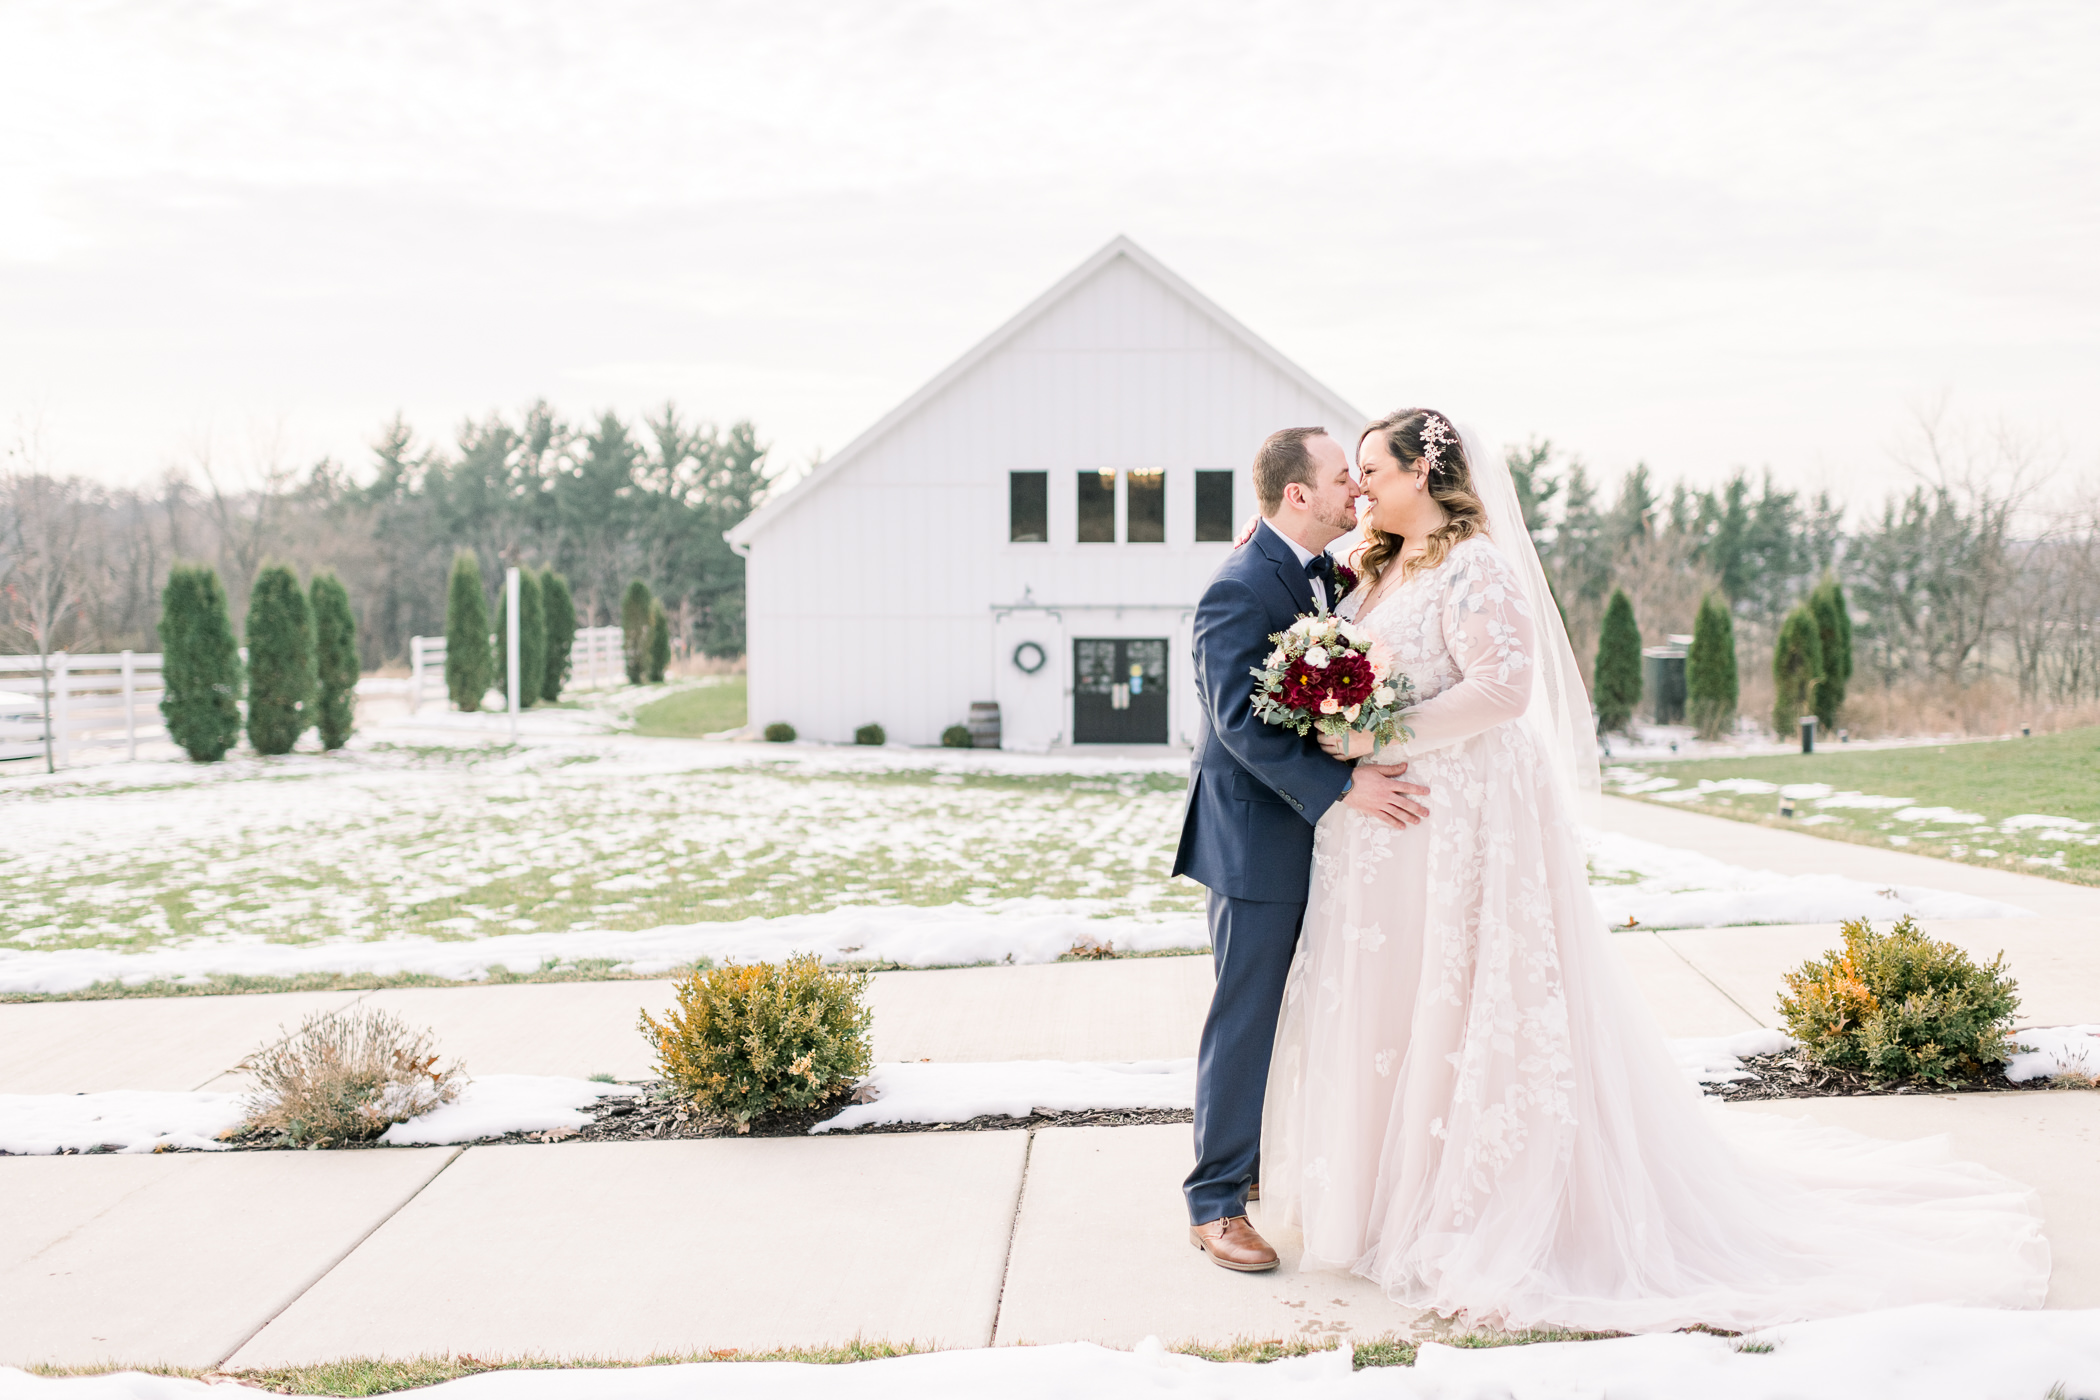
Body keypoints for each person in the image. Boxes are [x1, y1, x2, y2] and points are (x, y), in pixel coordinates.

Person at [1258, 408, 2049, 1330]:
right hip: (1390, 833)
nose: (1363, 489)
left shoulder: (1478, 566)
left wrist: (1377, 732)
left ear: (1426, 475)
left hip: (1464, 819)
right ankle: (1387, 1196)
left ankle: (1474, 1207)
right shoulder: (1376, 564)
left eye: (1375, 472)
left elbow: (1503, 691)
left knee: (1468, 998)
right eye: (1354, 475)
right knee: (1402, 998)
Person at [1172, 425, 1430, 1272]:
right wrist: (1346, 787)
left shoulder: (1322, 575)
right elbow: (1237, 723)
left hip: (1320, 843)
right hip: (1255, 838)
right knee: (1245, 1017)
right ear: (1297, 497)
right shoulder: (1240, 587)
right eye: (1339, 480)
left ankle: (1267, 1169)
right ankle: (1216, 1203)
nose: (1355, 492)